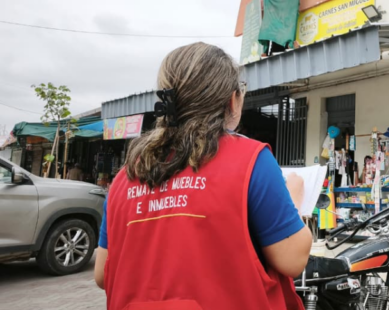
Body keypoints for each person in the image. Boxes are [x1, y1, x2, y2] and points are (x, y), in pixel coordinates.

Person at [94, 42, 311, 310]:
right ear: (232, 100)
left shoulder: (128, 173)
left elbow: (102, 274)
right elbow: (293, 259)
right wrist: (294, 201)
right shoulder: (251, 161)